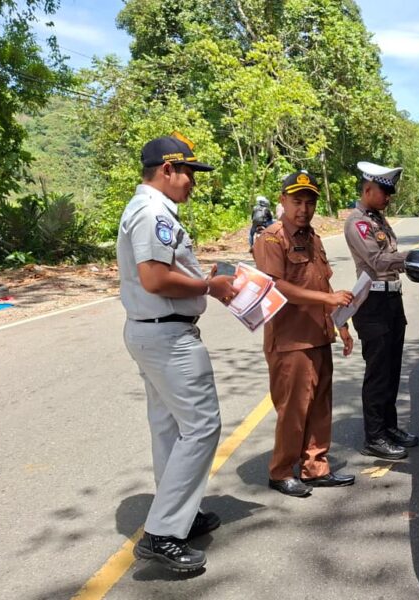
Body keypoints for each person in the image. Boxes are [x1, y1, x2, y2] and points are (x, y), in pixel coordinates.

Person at [118, 134, 240, 573]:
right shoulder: (153, 213)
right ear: (167, 169)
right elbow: (154, 278)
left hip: (153, 331)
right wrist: (209, 286)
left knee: (169, 428)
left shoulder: (147, 209)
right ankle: (163, 533)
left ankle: (178, 516)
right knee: (202, 426)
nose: (193, 181)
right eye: (188, 172)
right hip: (168, 336)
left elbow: (162, 272)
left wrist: (202, 278)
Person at [253, 170, 356, 497]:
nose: (304, 209)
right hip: (290, 340)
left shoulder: (313, 238)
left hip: (319, 334)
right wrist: (328, 300)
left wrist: (341, 323)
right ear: (282, 201)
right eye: (297, 201)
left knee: (320, 405)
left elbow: (323, 283)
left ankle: (315, 467)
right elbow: (275, 286)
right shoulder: (271, 239)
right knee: (294, 410)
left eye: (309, 203)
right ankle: (281, 471)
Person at [343, 161, 419, 460]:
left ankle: (389, 427)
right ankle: (374, 436)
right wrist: (416, 256)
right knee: (377, 372)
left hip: (391, 300)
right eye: (384, 192)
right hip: (373, 303)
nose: (388, 197)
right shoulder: (357, 223)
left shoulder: (379, 220)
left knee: (392, 369)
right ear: (367, 189)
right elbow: (377, 261)